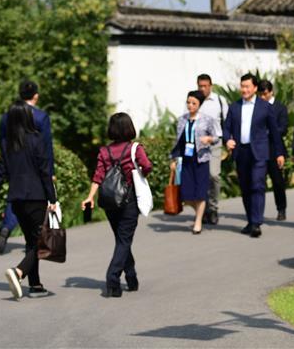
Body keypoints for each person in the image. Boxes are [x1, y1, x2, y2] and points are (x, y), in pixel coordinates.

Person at [0, 101, 58, 299]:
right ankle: (18, 272)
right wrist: (52, 198)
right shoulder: (37, 139)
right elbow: (45, 172)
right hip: (36, 198)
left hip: (16, 200)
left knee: (31, 242)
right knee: (40, 242)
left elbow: (0, 173)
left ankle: (35, 286)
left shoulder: (7, 144)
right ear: (27, 117)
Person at [82, 113, 153, 297]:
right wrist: (140, 173)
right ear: (129, 127)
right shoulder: (134, 149)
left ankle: (131, 277)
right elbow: (147, 166)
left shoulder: (104, 151)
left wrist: (90, 197)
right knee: (124, 241)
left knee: (122, 240)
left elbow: (98, 176)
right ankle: (112, 278)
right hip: (129, 202)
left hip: (109, 202)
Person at [0, 80, 56, 254]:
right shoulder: (41, 117)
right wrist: (50, 171)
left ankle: (7, 226)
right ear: (36, 96)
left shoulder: (7, 116)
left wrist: (6, 163)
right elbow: (46, 146)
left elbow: (3, 141)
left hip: (14, 163)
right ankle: (38, 240)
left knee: (17, 196)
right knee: (36, 201)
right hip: (36, 165)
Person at [222, 73, 284, 238]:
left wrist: (279, 153)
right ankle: (250, 220)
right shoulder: (234, 107)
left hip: (260, 152)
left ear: (255, 88)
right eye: (242, 86)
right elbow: (226, 128)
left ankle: (256, 223)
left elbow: (275, 133)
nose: (244, 90)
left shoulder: (265, 107)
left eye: (247, 86)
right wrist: (227, 140)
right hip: (241, 152)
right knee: (246, 187)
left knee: (258, 185)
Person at [170, 91, 221, 234]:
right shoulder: (182, 120)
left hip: (201, 159)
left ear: (199, 104)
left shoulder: (207, 120)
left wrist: (209, 139)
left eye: (194, 103)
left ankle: (198, 221)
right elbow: (178, 142)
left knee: (200, 192)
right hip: (186, 160)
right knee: (186, 194)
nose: (190, 106)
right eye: (188, 102)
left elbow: (216, 137)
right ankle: (202, 211)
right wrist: (174, 159)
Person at [196, 74, 226, 225]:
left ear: (211, 86)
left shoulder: (219, 101)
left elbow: (228, 121)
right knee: (201, 178)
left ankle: (213, 208)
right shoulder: (194, 100)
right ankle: (204, 209)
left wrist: (229, 141)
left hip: (215, 143)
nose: (203, 89)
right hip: (198, 145)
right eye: (200, 86)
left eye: (205, 86)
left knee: (213, 175)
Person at [258, 80, 289, 220]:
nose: (263, 97)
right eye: (260, 94)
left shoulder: (280, 107)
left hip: (274, 149)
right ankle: (257, 212)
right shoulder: (256, 108)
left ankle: (281, 209)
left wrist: (269, 132)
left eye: (265, 94)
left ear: (271, 92)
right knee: (258, 182)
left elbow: (283, 128)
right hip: (259, 150)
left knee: (277, 182)